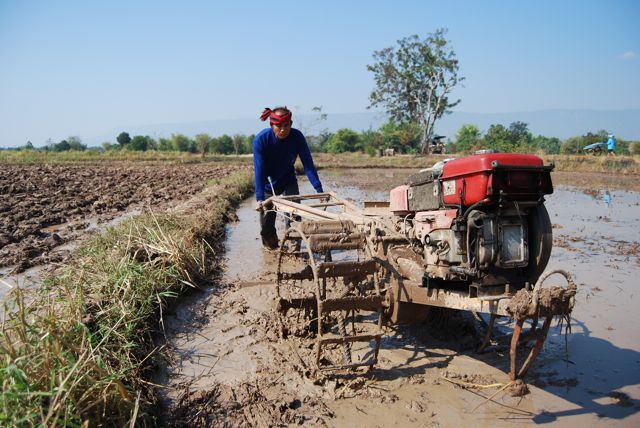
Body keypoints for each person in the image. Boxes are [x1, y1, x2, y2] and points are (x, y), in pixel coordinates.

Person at [253, 106, 323, 249]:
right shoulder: (261, 140)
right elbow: (259, 171)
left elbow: (308, 164)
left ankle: (294, 245)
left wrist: (318, 188)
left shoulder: (297, 137)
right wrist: (260, 198)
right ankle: (271, 247)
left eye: (286, 125)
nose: (283, 130)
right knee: (267, 221)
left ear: (291, 124)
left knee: (294, 214)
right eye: (278, 126)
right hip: (268, 183)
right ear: (271, 125)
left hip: (288, 180)